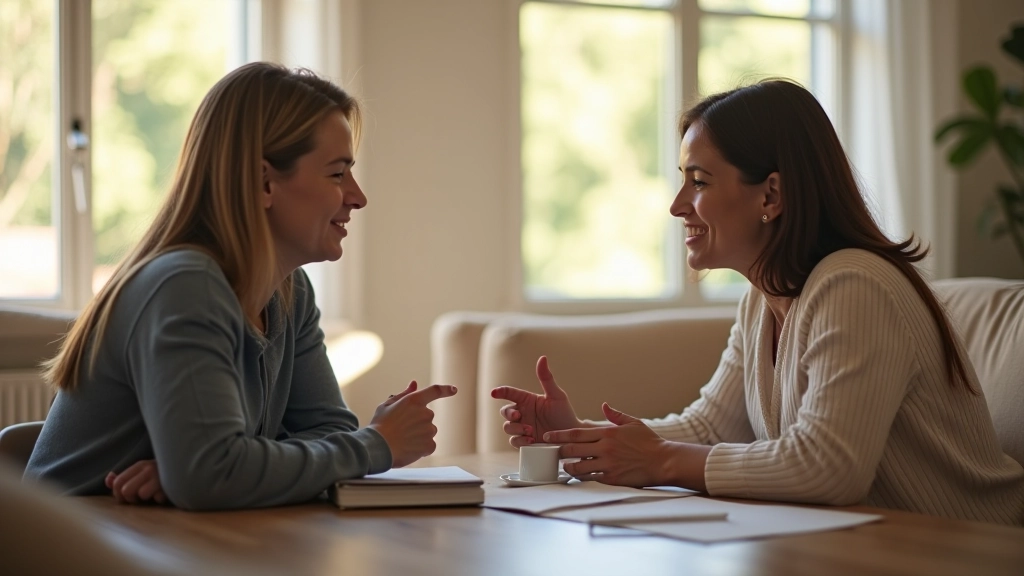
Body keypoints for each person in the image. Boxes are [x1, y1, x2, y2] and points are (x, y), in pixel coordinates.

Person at [492, 79, 1024, 525]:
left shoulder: (855, 285)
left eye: (698, 181)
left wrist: (662, 462)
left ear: (771, 195)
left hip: (971, 548)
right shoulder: (762, 297)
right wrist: (576, 436)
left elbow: (829, 467)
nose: (678, 206)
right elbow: (709, 429)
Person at [25, 62, 456, 510]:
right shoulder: (186, 286)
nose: (358, 196)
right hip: (67, 547)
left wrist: (212, 467)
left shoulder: (291, 292)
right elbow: (215, 474)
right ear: (263, 181)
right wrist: (377, 444)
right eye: (336, 173)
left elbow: (327, 433)